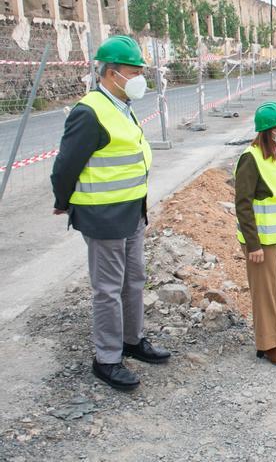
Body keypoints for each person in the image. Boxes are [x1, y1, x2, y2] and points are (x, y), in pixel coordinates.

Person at [51, 35, 169, 391]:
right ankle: (107, 358)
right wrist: (63, 200)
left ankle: (132, 340)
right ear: (112, 73)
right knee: (107, 289)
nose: (139, 79)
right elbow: (65, 165)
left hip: (132, 210)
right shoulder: (89, 111)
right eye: (134, 71)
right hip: (103, 216)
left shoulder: (121, 105)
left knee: (134, 280)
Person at [234, 102, 276, 368]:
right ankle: (267, 344)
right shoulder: (251, 158)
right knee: (265, 294)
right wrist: (253, 245)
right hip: (260, 242)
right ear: (269, 131)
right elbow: (243, 205)